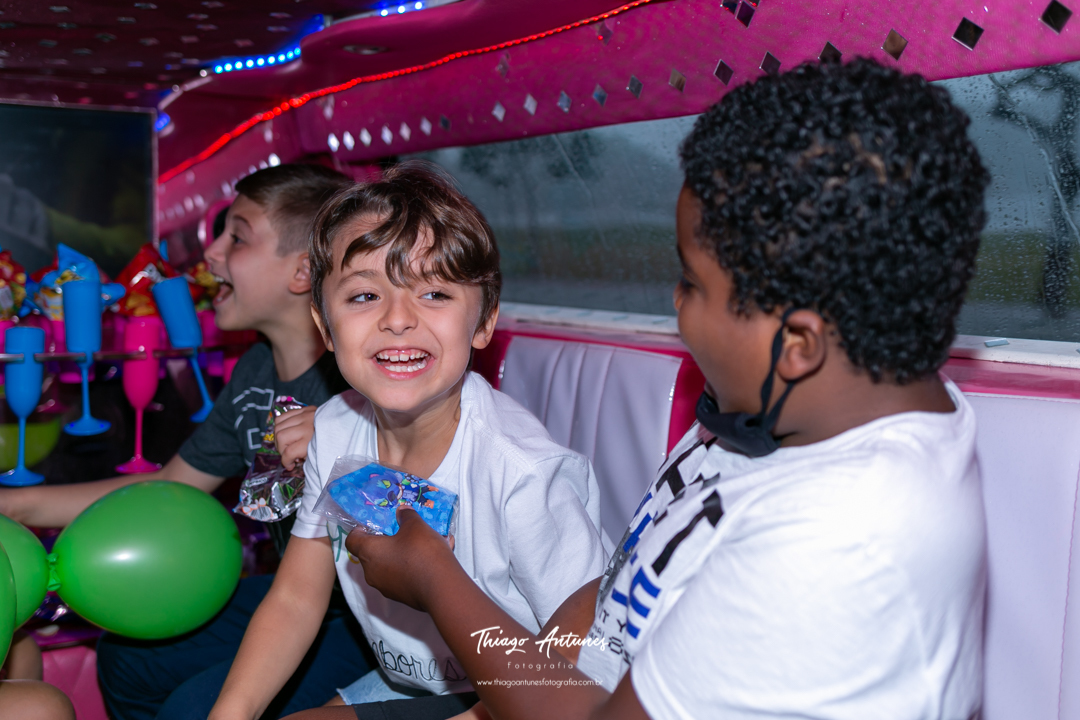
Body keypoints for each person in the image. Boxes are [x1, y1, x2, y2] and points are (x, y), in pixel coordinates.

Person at [310, 57, 990, 720]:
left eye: (691, 282)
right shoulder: (787, 408)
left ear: (798, 345)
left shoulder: (837, 541)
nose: (676, 303)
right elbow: (614, 597)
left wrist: (435, 577)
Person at [207, 161, 609, 720]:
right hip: (407, 680)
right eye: (363, 296)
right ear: (325, 327)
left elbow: (587, 637)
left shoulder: (521, 471)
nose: (398, 319)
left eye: (435, 293)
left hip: (518, 690)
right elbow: (296, 597)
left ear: (483, 322)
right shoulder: (335, 431)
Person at [0, 163, 373, 720]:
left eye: (237, 237)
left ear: (302, 271)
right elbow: (172, 485)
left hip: (368, 617)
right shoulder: (254, 372)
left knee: (194, 707)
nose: (211, 254)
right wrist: (18, 505)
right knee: (127, 658)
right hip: (297, 593)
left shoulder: (357, 384)